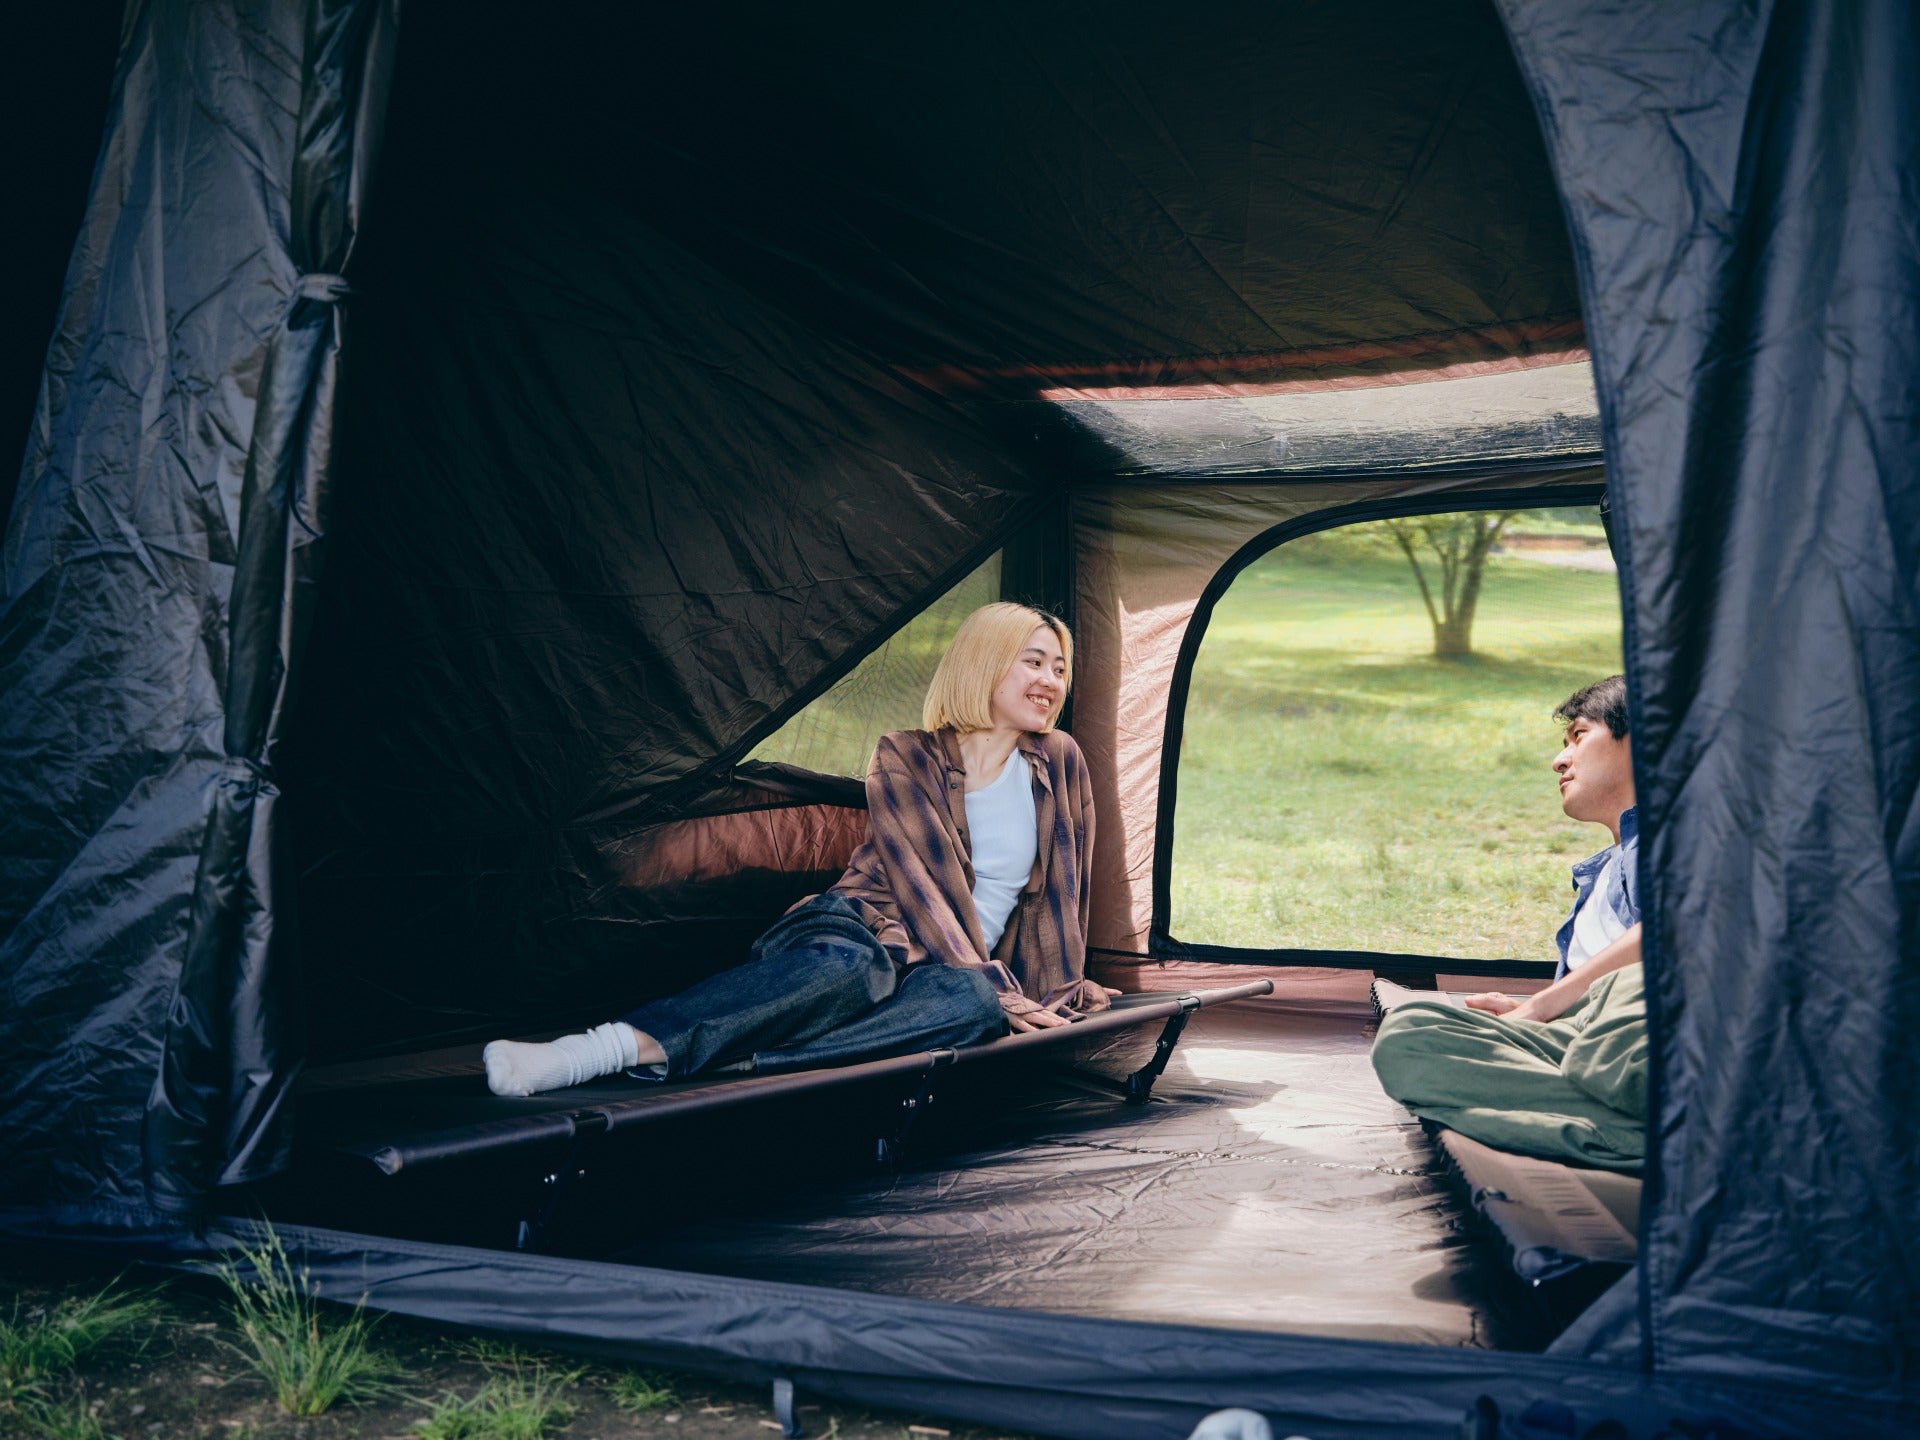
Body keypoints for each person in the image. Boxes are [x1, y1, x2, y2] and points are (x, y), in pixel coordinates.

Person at [482, 602, 1114, 1096]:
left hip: (950, 971)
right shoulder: (906, 755)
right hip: (864, 931)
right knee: (851, 973)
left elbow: (1065, 889)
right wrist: (1000, 987)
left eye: (1059, 668)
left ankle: (743, 1062)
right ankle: (597, 1051)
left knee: (972, 1008)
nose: (1051, 681)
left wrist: (1056, 986)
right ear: (984, 663)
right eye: (1034, 662)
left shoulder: (1059, 761)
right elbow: (927, 889)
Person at [1369, 675, 1648, 1171]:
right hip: (1590, 1041)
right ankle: (1638, 1131)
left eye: (1579, 736)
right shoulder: (1600, 874)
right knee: (1411, 1034)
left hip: (1655, 1023)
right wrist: (1543, 1015)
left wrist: (1542, 1006)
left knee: (1629, 1027)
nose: (1559, 761)